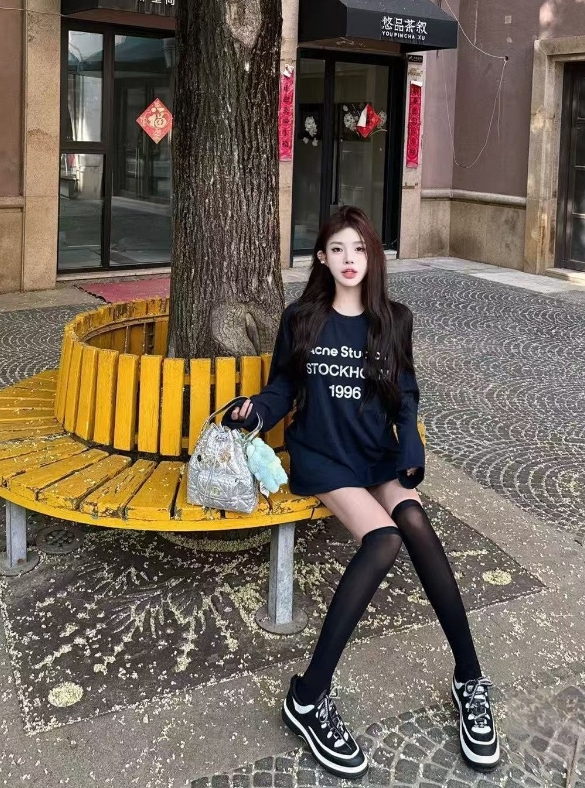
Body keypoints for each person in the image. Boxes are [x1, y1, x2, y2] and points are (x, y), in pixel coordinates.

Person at [225, 206, 499, 780]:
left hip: (374, 453)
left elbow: (406, 392)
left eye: (359, 249)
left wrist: (411, 443)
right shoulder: (302, 318)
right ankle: (308, 696)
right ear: (322, 258)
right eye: (338, 249)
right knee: (383, 540)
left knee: (415, 524)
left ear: (372, 256)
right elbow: (283, 385)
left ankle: (469, 678)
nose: (349, 259)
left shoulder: (394, 320)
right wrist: (256, 411)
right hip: (323, 456)